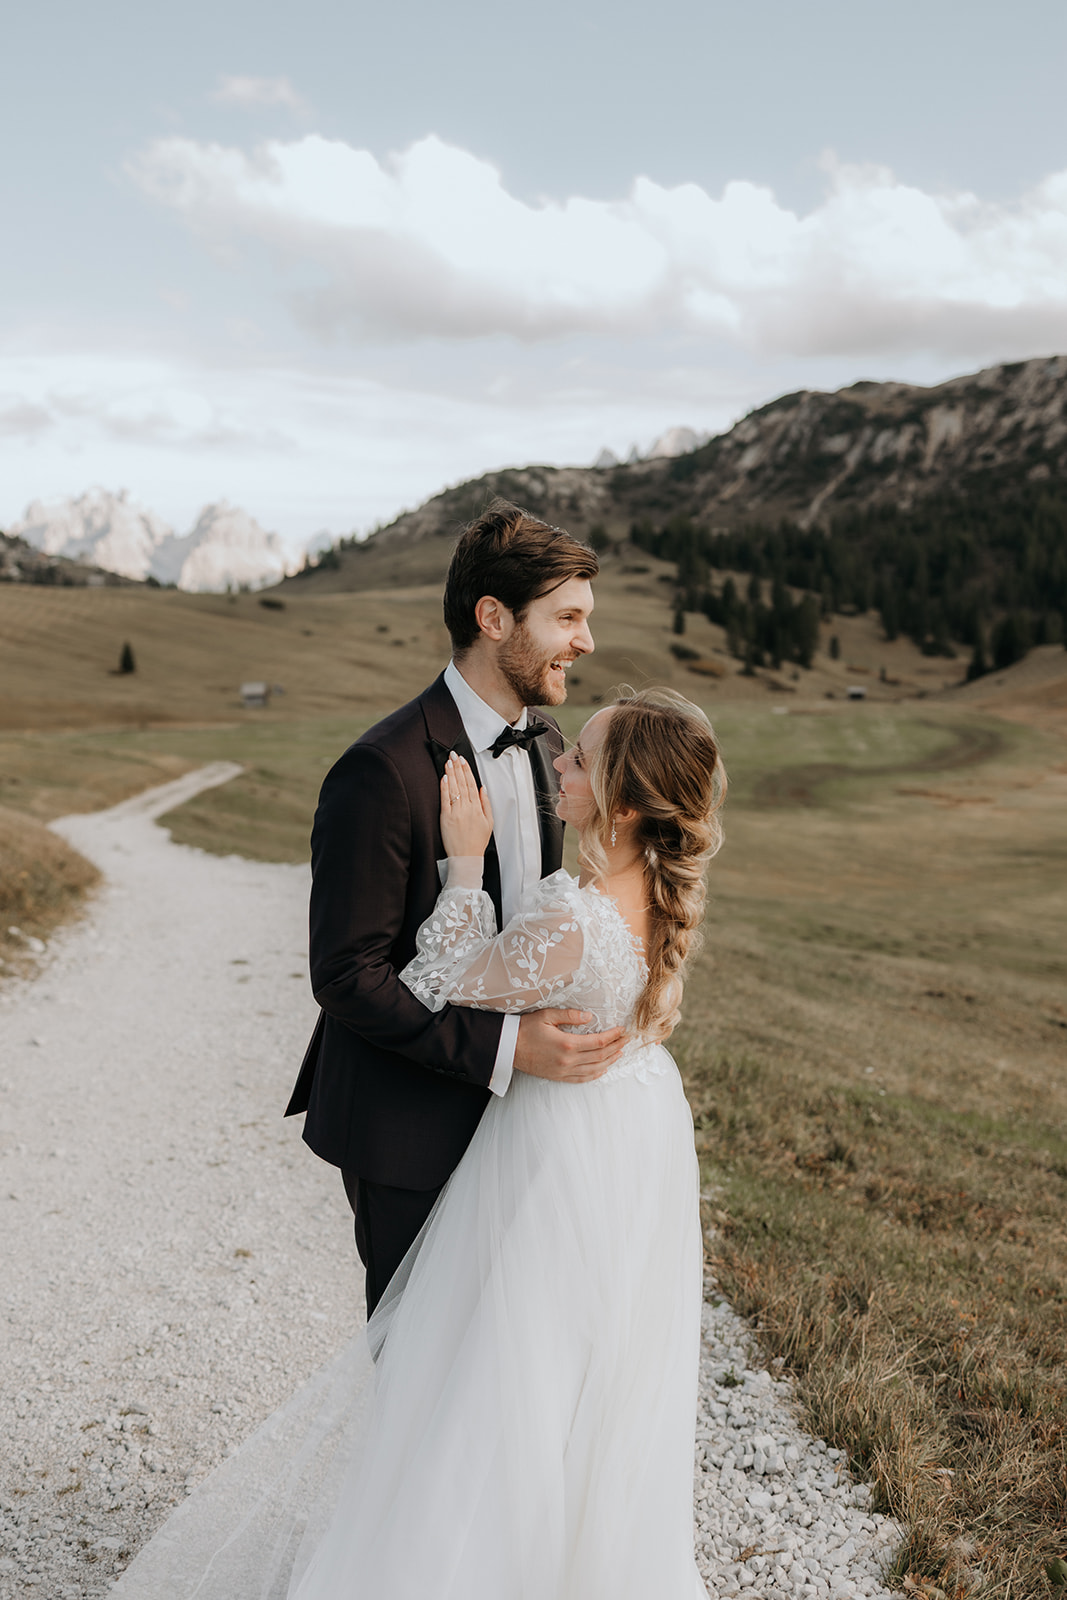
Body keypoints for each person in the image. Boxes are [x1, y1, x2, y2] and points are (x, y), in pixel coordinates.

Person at [111, 685, 726, 1600]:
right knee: (594, 1367)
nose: (560, 761)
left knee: (508, 1360)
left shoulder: (577, 920)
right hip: (632, 1129)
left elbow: (439, 978)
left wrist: (466, 865)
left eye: (582, 758)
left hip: (562, 1142)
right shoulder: (634, 899)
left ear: (626, 806)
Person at [285, 498, 626, 1314]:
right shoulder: (381, 768)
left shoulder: (549, 746)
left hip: (524, 1123)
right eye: (568, 617)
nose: (585, 641)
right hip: (407, 1120)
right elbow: (346, 975)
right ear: (493, 617)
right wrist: (508, 1048)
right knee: (415, 1363)